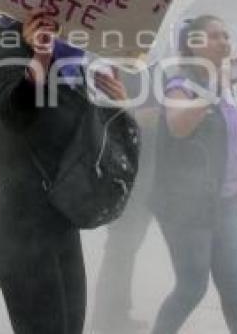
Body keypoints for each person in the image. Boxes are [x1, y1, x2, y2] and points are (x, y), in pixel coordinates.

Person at [0, 9, 131, 334]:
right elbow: (13, 115)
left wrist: (117, 108)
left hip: (61, 222)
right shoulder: (10, 40)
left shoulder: (73, 57)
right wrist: (40, 58)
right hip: (21, 228)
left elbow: (86, 146)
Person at [147, 15, 237, 334]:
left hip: (227, 201)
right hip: (185, 206)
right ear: (194, 46)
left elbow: (233, 143)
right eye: (215, 36)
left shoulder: (227, 85)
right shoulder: (180, 83)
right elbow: (178, 126)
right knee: (191, 287)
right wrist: (214, 88)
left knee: (234, 287)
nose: (225, 42)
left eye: (226, 36)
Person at [91, 68, 160, 334]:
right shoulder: (111, 66)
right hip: (124, 173)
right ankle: (105, 320)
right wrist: (136, 116)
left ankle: (118, 313)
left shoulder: (150, 69)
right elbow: (99, 118)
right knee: (121, 247)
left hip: (147, 169)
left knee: (127, 248)